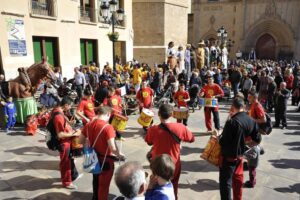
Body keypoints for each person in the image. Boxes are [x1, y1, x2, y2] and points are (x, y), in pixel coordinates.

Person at [145, 104, 195, 199]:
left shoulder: (153, 129)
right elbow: (192, 139)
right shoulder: (180, 127)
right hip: (174, 163)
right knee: (174, 186)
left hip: (158, 165)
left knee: (156, 187)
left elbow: (148, 142)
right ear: (172, 114)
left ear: (159, 114)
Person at [219, 97, 261, 200]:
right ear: (244, 107)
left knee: (226, 184)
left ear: (233, 107)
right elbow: (257, 139)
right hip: (240, 156)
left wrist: (218, 136)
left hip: (229, 158)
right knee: (238, 180)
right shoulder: (251, 120)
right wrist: (245, 144)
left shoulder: (231, 122)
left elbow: (222, 142)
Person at [80, 106, 125, 200]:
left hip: (93, 158)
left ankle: (95, 197)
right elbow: (112, 148)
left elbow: (80, 141)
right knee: (103, 186)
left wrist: (88, 146)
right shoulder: (108, 127)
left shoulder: (88, 124)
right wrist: (119, 154)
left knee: (95, 180)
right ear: (108, 114)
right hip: (105, 161)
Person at [52, 97, 81, 189]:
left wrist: (69, 122)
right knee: (65, 163)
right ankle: (67, 182)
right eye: (70, 106)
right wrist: (73, 133)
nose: (70, 108)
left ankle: (71, 176)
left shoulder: (57, 110)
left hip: (65, 141)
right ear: (66, 105)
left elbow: (62, 118)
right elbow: (60, 134)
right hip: (64, 143)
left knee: (68, 161)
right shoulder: (58, 117)